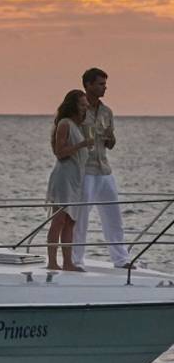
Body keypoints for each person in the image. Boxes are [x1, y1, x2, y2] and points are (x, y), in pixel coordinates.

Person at [71, 68, 131, 269]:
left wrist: (110, 138)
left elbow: (111, 142)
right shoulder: (77, 110)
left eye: (105, 84)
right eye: (100, 84)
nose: (104, 87)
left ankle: (121, 260)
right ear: (87, 85)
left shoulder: (107, 112)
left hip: (104, 169)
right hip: (85, 169)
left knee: (113, 216)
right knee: (80, 217)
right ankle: (75, 259)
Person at [46, 90, 93, 271]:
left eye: (86, 105)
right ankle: (52, 261)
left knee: (71, 221)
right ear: (73, 105)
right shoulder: (65, 124)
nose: (84, 108)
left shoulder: (77, 125)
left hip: (75, 178)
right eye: (82, 105)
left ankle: (68, 262)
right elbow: (59, 152)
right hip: (64, 177)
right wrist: (82, 144)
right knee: (59, 219)